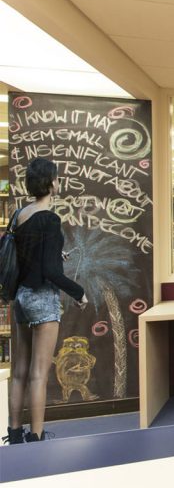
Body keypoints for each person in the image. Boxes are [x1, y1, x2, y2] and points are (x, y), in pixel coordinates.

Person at [3, 158, 87, 444]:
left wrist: (54, 254)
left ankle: (14, 435)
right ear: (52, 183)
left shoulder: (19, 215)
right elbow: (50, 272)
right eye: (57, 177)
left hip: (21, 298)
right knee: (39, 374)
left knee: (19, 373)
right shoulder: (50, 219)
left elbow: (27, 257)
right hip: (42, 299)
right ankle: (36, 439)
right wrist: (79, 292)